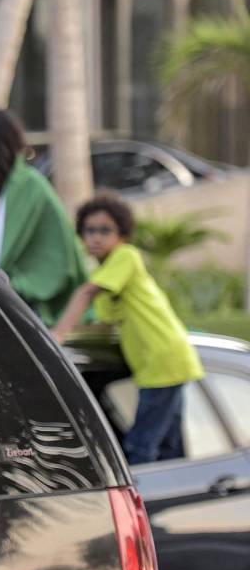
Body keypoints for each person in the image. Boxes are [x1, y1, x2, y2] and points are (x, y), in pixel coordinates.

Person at [52, 195, 204, 464]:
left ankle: (140, 503)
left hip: (163, 360)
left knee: (140, 447)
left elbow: (87, 292)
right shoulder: (108, 273)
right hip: (158, 363)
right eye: (90, 230)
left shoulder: (126, 256)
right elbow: (105, 322)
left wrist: (56, 336)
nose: (96, 238)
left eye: (105, 230)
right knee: (171, 448)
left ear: (123, 235)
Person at [0, 110, 88, 325]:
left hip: (37, 308)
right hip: (14, 297)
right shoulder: (4, 186)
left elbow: (6, 256)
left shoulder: (26, 185)